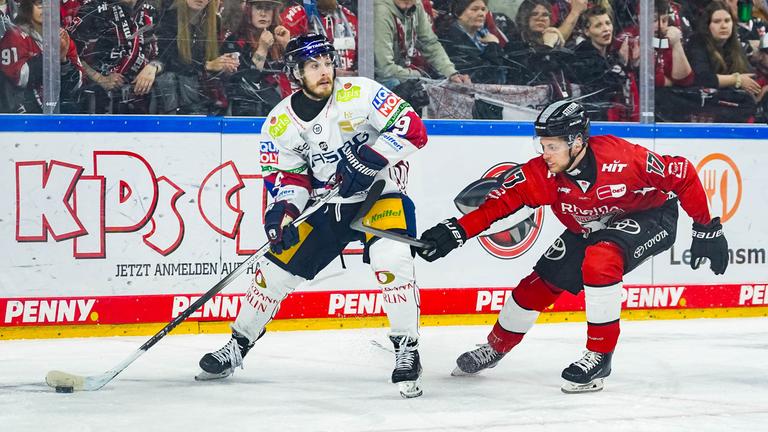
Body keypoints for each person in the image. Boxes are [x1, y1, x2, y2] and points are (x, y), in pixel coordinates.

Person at [416, 99, 729, 393]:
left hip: (651, 215)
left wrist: (706, 228)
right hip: (592, 227)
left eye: (552, 146)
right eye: (543, 146)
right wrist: (454, 232)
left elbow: (683, 174)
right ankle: (496, 346)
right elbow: (493, 209)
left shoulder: (622, 158)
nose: (546, 154)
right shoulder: (542, 174)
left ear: (577, 142)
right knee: (534, 287)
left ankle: (599, 356)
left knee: (601, 259)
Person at [197, 33, 430, 399]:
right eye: (313, 66)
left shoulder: (362, 93)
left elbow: (413, 130)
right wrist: (284, 211)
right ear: (295, 73)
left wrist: (371, 157)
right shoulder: (279, 123)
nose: (325, 72)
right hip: (326, 205)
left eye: (327, 63)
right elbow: (288, 177)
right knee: (271, 274)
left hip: (379, 195)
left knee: (393, 259)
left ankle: (406, 348)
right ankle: (237, 346)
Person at [70, 0, 160, 114]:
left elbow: (165, 51)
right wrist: (100, 79)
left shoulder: (150, 11)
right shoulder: (93, 10)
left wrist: (153, 66)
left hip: (141, 98)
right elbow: (69, 53)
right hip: (100, 101)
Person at [0, 0, 84, 113]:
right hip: (23, 118)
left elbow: (77, 84)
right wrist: (51, 56)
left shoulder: (63, 37)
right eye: (39, 3)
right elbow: (19, 78)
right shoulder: (14, 36)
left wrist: (63, 61)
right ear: (28, 6)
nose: (44, 8)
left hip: (57, 116)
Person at [221, 0, 292, 115]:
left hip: (279, 109)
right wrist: (262, 49)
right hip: (246, 113)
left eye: (268, 8)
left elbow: (297, 75)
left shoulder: (279, 38)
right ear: (249, 11)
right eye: (258, 7)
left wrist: (287, 46)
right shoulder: (234, 41)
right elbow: (248, 81)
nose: (263, 13)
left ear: (274, 13)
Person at [435, 0, 506, 84]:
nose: (481, 14)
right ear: (458, 13)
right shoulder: (450, 39)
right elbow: (483, 76)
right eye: (474, 9)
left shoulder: (485, 35)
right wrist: (493, 46)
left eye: (483, 9)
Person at [281, 0, 359, 74]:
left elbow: (363, 59)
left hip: (349, 84)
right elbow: (289, 64)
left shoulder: (348, 16)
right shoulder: (295, 17)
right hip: (310, 85)